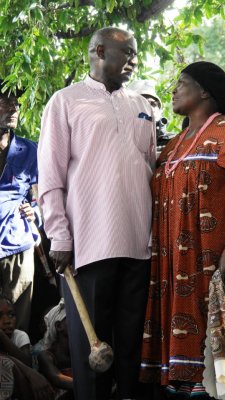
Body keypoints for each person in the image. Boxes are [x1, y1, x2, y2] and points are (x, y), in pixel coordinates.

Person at [38, 27, 156, 400]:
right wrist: (59, 234)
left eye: (136, 54)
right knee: (91, 350)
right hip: (88, 244)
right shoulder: (65, 101)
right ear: (99, 51)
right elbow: (50, 176)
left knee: (130, 348)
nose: (134, 61)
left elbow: (149, 169)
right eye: (128, 53)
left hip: (139, 245)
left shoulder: (142, 105)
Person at [140, 61, 225, 400]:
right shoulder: (174, 145)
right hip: (177, 267)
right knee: (195, 371)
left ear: (205, 91)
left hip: (218, 259)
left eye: (181, 83)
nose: (173, 90)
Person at [0, 81, 41, 332]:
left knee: (17, 325)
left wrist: (35, 211)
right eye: (5, 101)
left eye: (16, 102)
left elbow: (41, 197)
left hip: (18, 246)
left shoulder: (30, 150)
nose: (13, 108)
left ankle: (21, 370)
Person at [38, 299, 73, 400]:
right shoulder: (46, 356)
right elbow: (57, 378)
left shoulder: (81, 353)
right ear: (59, 326)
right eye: (74, 318)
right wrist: (90, 386)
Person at [0, 295, 32, 367]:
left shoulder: (19, 336)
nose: (7, 321)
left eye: (11, 315)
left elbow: (28, 364)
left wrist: (2, 336)